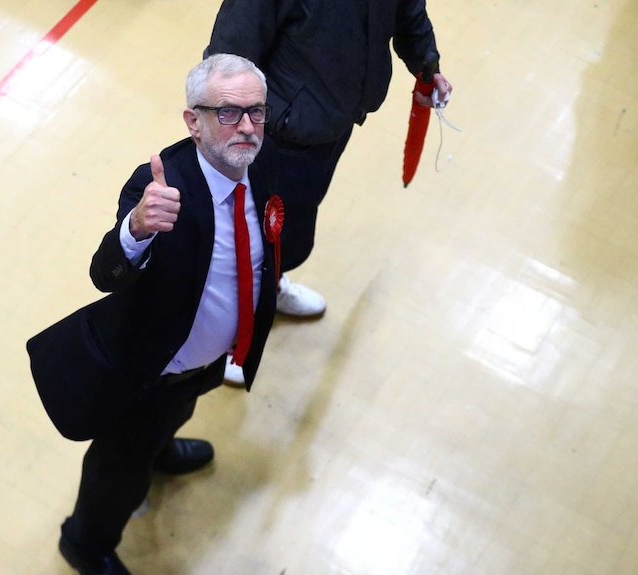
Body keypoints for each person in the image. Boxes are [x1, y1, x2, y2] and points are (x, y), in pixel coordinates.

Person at [26, 53, 282, 575]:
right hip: (148, 373)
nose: (248, 127)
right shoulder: (160, 185)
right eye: (228, 113)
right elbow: (105, 273)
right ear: (193, 120)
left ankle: (161, 450)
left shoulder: (263, 165)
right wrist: (137, 230)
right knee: (118, 467)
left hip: (201, 364)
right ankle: (85, 543)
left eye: (257, 112)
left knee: (180, 410)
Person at [206, 0, 454, 385]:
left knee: (287, 231)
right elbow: (229, 54)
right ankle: (226, 339)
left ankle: (268, 287)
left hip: (328, 121)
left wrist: (427, 65)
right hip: (270, 134)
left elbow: (407, 12)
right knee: (243, 239)